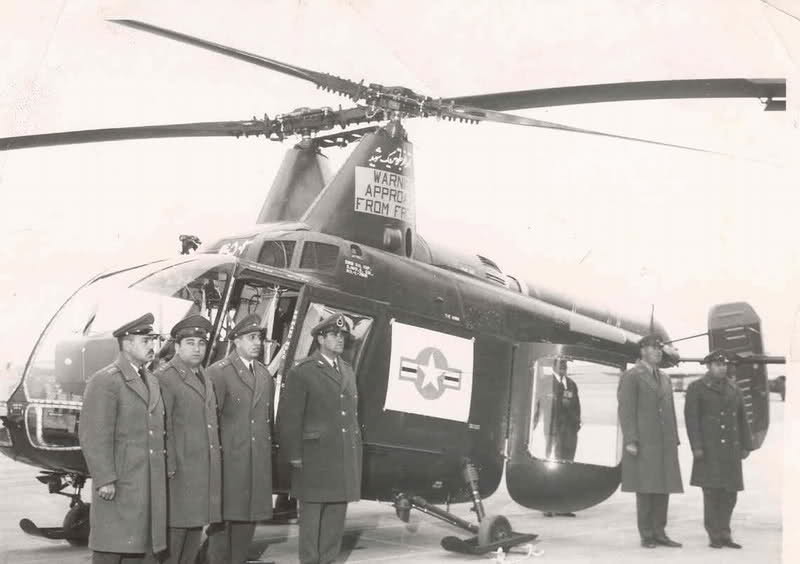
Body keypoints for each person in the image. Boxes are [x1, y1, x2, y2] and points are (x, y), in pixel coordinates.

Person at [78, 313, 168, 564]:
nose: (152, 346)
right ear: (127, 344)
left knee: (140, 548)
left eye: (152, 340)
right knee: (111, 548)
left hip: (146, 481)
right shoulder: (106, 380)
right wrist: (105, 478)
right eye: (145, 340)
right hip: (120, 482)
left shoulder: (150, 380)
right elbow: (93, 434)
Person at [279, 313, 362, 564]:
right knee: (311, 524)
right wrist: (294, 456)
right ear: (320, 339)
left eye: (342, 335)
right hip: (314, 459)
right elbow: (289, 418)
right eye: (334, 335)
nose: (340, 339)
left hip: (341, 458)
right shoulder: (303, 371)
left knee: (334, 523)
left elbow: (350, 416)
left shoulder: (347, 370)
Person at [205, 314, 275, 564]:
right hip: (229, 464)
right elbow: (210, 422)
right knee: (222, 529)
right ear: (236, 341)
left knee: (247, 526)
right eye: (251, 338)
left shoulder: (264, 375)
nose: (257, 343)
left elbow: (267, 421)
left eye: (259, 338)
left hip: (255, 464)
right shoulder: (219, 372)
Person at [155, 315, 222, 564]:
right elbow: (162, 427)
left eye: (201, 343)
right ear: (177, 346)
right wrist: (170, 468)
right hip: (179, 473)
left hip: (200, 472)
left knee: (193, 536)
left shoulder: (203, 376)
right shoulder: (165, 377)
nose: (197, 349)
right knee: (175, 538)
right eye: (190, 343)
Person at [617, 334, 683, 549]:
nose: (658, 351)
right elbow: (626, 409)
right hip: (644, 441)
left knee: (663, 487)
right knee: (646, 488)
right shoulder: (632, 376)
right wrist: (631, 439)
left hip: (664, 441)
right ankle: (647, 534)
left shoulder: (664, 377)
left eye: (660, 348)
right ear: (643, 350)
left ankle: (660, 532)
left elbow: (670, 410)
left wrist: (675, 438)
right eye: (654, 347)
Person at [684, 350, 753, 549]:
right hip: (710, 449)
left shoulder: (734, 388)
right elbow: (692, 420)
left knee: (730, 494)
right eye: (717, 365)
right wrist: (696, 446)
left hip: (731, 450)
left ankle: (725, 533)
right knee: (712, 492)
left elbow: (742, 418)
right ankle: (714, 534)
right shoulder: (696, 388)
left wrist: (746, 445)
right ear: (709, 366)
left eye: (724, 365)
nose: (722, 368)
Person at [541, 357, 581, 517]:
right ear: (554, 365)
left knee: (567, 466)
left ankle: (563, 505)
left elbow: (577, 407)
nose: (564, 366)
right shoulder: (545, 383)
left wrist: (576, 425)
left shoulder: (571, 384)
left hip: (569, 432)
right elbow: (539, 404)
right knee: (552, 467)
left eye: (565, 364)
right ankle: (547, 504)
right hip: (553, 431)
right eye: (561, 363)